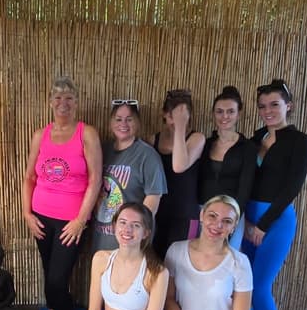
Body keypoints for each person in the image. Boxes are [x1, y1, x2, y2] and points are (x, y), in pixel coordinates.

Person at [22, 77, 102, 310]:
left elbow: (95, 179)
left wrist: (81, 219)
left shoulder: (86, 133)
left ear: (77, 103)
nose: (63, 103)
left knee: (58, 279)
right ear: (50, 103)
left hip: (71, 222)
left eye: (69, 98)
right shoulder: (40, 135)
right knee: (49, 276)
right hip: (41, 218)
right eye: (57, 98)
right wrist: (27, 214)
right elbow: (30, 177)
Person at [243, 79, 307, 310]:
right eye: (262, 106)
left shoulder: (300, 142)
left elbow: (292, 188)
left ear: (289, 106)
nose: (268, 110)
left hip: (275, 220)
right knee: (245, 282)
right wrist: (246, 220)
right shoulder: (257, 136)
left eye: (274, 104)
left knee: (260, 285)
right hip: (247, 218)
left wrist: (262, 224)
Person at [93, 99, 166, 252]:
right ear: (111, 122)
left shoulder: (147, 155)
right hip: (102, 235)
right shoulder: (102, 150)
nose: (123, 124)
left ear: (137, 122)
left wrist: (135, 230)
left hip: (131, 241)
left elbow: (153, 197)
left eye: (129, 119)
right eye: (118, 119)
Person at [198, 86, 257, 249]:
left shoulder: (248, 148)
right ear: (213, 114)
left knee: (226, 261)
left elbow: (246, 187)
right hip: (202, 212)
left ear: (239, 114)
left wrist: (233, 220)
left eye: (230, 111)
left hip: (230, 214)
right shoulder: (205, 144)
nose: (225, 116)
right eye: (219, 111)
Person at [152, 89, 205, 259]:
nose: (175, 121)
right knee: (157, 266)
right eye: (172, 116)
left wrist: (181, 127)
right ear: (164, 115)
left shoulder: (196, 138)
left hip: (185, 216)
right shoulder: (153, 139)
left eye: (182, 116)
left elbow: (179, 166)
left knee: (180, 268)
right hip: (159, 215)